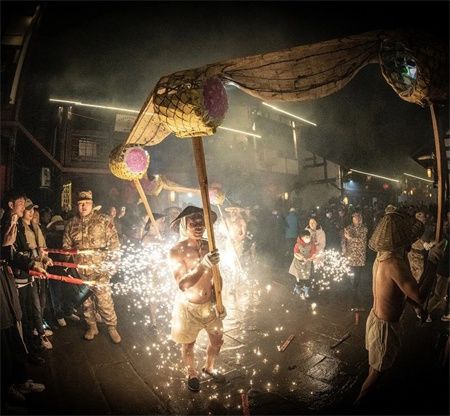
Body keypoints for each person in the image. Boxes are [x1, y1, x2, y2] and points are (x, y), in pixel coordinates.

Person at [355, 206, 445, 405]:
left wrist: (415, 307)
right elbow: (420, 295)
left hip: (377, 320)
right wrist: (432, 262)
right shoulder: (394, 264)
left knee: (376, 368)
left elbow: (397, 292)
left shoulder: (382, 256)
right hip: (384, 329)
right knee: (375, 375)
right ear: (401, 240)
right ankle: (357, 405)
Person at [169, 206, 225, 392]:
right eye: (193, 222)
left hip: (209, 306)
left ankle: (209, 367)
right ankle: (191, 372)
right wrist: (203, 264)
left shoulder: (210, 245)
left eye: (201, 222)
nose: (198, 226)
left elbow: (217, 275)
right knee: (188, 345)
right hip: (188, 308)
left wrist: (219, 301)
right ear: (184, 225)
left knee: (217, 341)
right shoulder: (176, 251)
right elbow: (183, 284)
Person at [62, 190, 121, 343]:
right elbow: (66, 246)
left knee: (104, 300)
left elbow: (114, 244)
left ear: (92, 204)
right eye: (80, 204)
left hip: (100, 269)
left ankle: (112, 327)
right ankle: (92, 326)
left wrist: (113, 264)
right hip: (80, 271)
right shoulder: (71, 224)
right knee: (86, 303)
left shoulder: (103, 220)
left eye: (86, 203)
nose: (83, 206)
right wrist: (69, 264)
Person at [342, 212, 368, 310]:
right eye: (354, 218)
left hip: (359, 256)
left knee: (358, 274)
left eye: (357, 218)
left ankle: (356, 291)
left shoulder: (364, 229)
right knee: (351, 274)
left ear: (360, 219)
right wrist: (344, 250)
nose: (356, 220)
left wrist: (351, 238)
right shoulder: (349, 228)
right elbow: (344, 240)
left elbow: (362, 241)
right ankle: (352, 290)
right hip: (350, 255)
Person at [288, 230, 316, 299]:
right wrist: (301, 258)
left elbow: (313, 252)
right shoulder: (298, 245)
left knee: (307, 277)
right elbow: (295, 253)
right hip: (298, 263)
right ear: (302, 238)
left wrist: (312, 257)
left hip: (307, 264)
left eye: (309, 237)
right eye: (306, 237)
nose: (308, 239)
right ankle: (298, 287)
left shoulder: (312, 244)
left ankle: (306, 289)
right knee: (299, 276)